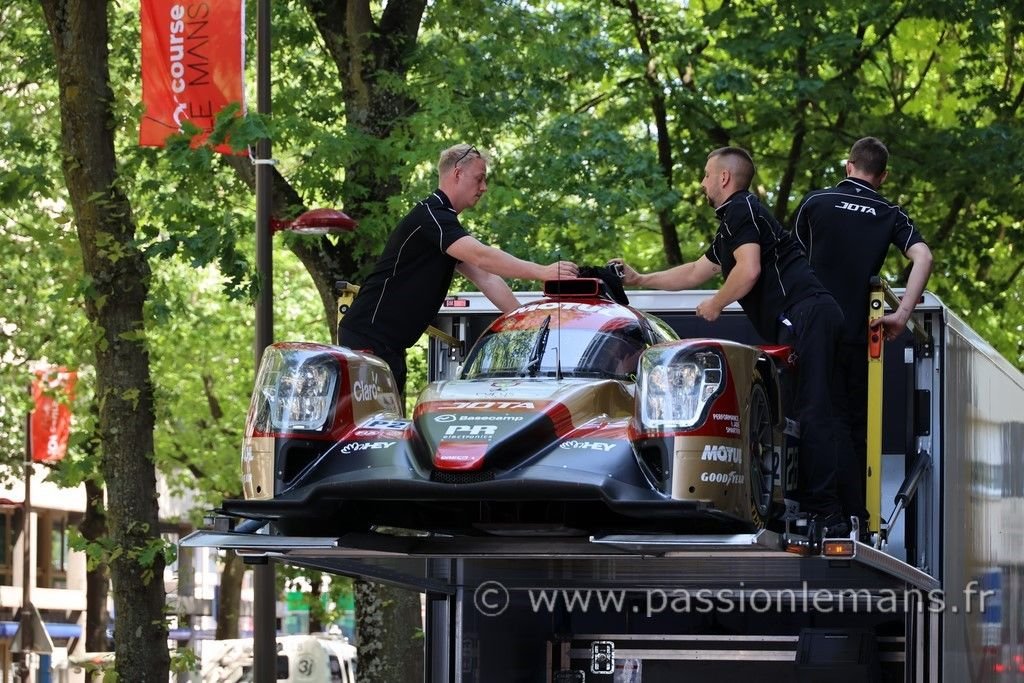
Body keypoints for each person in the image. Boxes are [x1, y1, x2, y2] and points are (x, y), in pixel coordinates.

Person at [610, 147, 847, 536]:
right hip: (807, 318)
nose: (702, 183)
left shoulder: (742, 209)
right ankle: (814, 506)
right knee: (804, 414)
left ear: (724, 178)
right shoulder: (732, 224)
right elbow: (693, 272)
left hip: (809, 313)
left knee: (814, 412)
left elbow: (749, 270)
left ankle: (828, 514)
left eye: (706, 175)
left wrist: (718, 303)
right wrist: (641, 279)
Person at [339, 143, 578, 397]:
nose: (484, 187)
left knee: (387, 422)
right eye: (479, 178)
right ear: (457, 174)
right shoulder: (431, 217)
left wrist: (524, 322)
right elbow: (482, 256)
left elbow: (486, 276)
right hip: (367, 337)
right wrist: (542, 271)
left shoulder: (445, 226)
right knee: (376, 429)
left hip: (388, 344)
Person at [792, 136, 933, 532]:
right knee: (856, 424)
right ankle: (856, 512)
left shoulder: (814, 202)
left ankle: (831, 512)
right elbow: (924, 255)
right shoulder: (889, 212)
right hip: (862, 331)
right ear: (883, 175)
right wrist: (902, 314)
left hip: (815, 327)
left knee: (818, 415)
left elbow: (790, 263)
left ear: (847, 166)